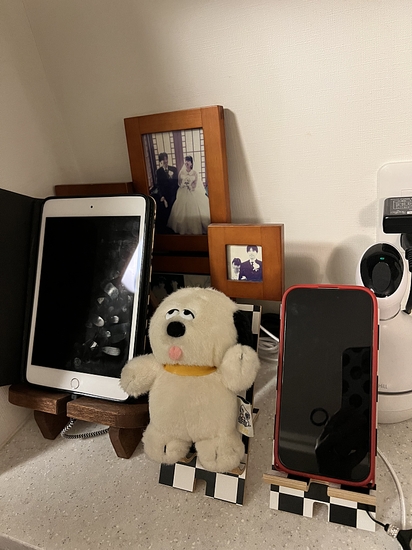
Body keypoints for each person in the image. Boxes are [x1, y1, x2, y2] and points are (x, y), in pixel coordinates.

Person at [166, 156, 210, 235]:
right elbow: (179, 183)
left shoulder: (194, 173)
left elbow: (195, 184)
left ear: (191, 163)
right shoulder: (181, 172)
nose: (186, 163)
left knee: (194, 205)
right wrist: (183, 184)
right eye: (185, 161)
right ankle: (182, 227)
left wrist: (190, 186)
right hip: (183, 190)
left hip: (192, 190)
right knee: (181, 206)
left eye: (188, 161)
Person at [152, 153, 179, 232]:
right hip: (165, 194)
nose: (165, 161)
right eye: (163, 159)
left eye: (166, 159)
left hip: (174, 193)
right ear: (160, 161)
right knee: (166, 210)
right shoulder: (158, 172)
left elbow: (177, 183)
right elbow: (158, 185)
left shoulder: (174, 169)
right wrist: (162, 196)